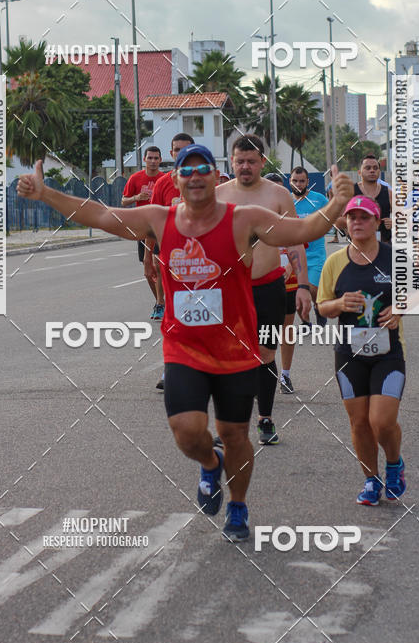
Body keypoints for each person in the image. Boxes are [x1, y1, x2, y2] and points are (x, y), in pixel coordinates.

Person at [17, 148, 354, 540]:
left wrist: (337, 204)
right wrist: (46, 194)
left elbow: (303, 231)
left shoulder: (244, 220)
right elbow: (100, 214)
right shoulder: (158, 220)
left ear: (216, 177)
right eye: (186, 170)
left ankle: (239, 506)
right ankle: (210, 465)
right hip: (184, 349)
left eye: (203, 170)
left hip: (235, 351)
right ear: (175, 180)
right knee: (187, 431)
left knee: (235, 436)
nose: (195, 176)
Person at [218, 137, 312, 444]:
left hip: (269, 286)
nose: (245, 167)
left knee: (265, 354)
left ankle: (265, 418)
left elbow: (297, 240)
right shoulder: (217, 195)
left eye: (252, 161)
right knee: (227, 356)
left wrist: (303, 286)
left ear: (262, 162)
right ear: (231, 161)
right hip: (229, 289)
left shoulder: (279, 195)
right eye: (240, 161)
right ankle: (230, 422)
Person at [317, 195, 407, 506]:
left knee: (381, 421)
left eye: (364, 217)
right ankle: (371, 479)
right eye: (351, 217)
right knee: (359, 423)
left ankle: (394, 463)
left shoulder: (394, 257)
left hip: (388, 354)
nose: (357, 222)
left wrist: (398, 310)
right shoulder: (334, 262)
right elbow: (322, 306)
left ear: (376, 220)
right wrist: (340, 304)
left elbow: (417, 294)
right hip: (348, 354)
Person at [145, 133, 194, 389]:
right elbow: (152, 223)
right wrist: (148, 258)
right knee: (172, 319)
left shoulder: (206, 182)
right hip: (170, 263)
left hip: (203, 264)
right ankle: (170, 369)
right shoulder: (163, 184)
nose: (180, 154)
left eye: (186, 149)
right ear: (172, 153)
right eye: (176, 150)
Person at [264, 172, 311, 394]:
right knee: (262, 331)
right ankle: (262, 373)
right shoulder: (253, 220)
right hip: (263, 284)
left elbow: (299, 247)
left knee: (286, 330)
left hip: (289, 284)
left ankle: (286, 375)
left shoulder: (291, 220)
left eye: (279, 190)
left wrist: (292, 267)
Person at [122, 146, 163, 319]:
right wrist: (136, 198)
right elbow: (123, 201)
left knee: (160, 267)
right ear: (144, 159)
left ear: (160, 160)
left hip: (161, 229)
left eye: (156, 158)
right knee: (148, 271)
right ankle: (160, 302)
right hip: (143, 229)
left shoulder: (165, 179)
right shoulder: (135, 178)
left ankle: (161, 304)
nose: (153, 161)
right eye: (150, 158)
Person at [289, 166, 329, 328]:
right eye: (295, 181)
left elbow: (332, 215)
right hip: (294, 255)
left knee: (312, 288)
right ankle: (306, 322)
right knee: (295, 293)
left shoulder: (319, 199)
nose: (298, 184)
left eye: (302, 181)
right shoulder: (286, 201)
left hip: (315, 254)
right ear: (290, 181)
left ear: (308, 182)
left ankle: (318, 309)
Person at [338, 154, 392, 243]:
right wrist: (356, 223)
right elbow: (337, 220)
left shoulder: (388, 193)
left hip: (384, 245)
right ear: (359, 172)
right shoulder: (350, 192)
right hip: (358, 246)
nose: (372, 171)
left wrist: (393, 222)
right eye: (368, 168)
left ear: (379, 171)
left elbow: (403, 217)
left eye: (375, 168)